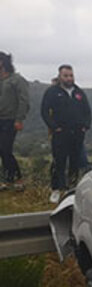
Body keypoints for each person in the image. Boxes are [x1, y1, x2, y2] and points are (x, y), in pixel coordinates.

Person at [41, 64, 91, 204]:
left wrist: (85, 126)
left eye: (71, 75)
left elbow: (87, 111)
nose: (69, 78)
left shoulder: (79, 92)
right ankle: (56, 189)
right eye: (66, 75)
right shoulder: (52, 92)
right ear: (60, 76)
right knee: (59, 161)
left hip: (77, 133)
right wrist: (54, 127)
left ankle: (72, 189)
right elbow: (44, 111)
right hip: (60, 133)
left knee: (74, 161)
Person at [0, 52, 29, 190]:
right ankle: (7, 179)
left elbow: (24, 100)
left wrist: (19, 119)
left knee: (5, 148)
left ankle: (18, 179)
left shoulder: (16, 80)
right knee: (1, 150)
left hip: (10, 119)